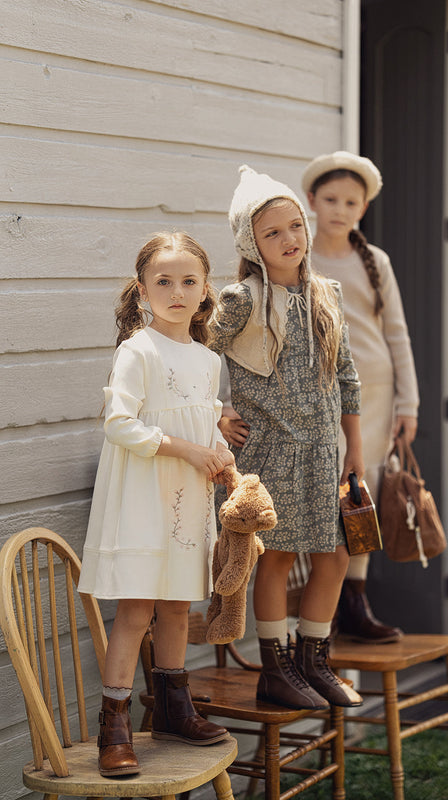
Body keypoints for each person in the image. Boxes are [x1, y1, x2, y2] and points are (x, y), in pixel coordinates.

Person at [78, 232, 234, 777]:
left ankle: (173, 708)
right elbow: (120, 423)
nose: (176, 291)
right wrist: (189, 449)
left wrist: (218, 454)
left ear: (205, 290)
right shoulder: (137, 349)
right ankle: (115, 726)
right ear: (142, 290)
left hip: (188, 498)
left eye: (188, 281)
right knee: (138, 608)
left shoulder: (208, 358)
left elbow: (206, 416)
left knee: (177, 605)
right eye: (163, 281)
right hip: (143, 495)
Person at [211, 165, 364, 710]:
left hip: (324, 451)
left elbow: (346, 376)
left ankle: (312, 659)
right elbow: (195, 358)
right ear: (251, 243)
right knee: (276, 556)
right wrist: (217, 413)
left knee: (337, 555)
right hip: (270, 451)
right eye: (272, 232)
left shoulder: (327, 294)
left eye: (294, 226)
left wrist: (356, 455)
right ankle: (273, 668)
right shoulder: (240, 300)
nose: (289, 240)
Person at [301, 150, 419, 643]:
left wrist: (407, 403)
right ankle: (318, 610)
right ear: (311, 199)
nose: (340, 209)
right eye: (330, 199)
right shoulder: (299, 255)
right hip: (320, 395)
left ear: (363, 207)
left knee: (360, 493)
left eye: (352, 201)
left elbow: (397, 334)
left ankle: (355, 599)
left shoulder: (376, 262)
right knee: (324, 491)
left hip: (374, 393)